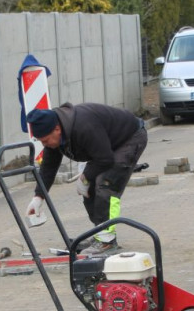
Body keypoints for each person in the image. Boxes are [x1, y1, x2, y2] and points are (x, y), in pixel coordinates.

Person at [25, 103, 147, 255]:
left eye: (46, 140)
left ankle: (106, 241)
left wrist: (85, 177)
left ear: (57, 129)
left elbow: (105, 159)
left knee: (106, 184)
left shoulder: (83, 126)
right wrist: (38, 197)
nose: (45, 145)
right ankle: (101, 234)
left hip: (130, 138)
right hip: (106, 147)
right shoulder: (55, 132)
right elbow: (49, 168)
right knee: (89, 189)